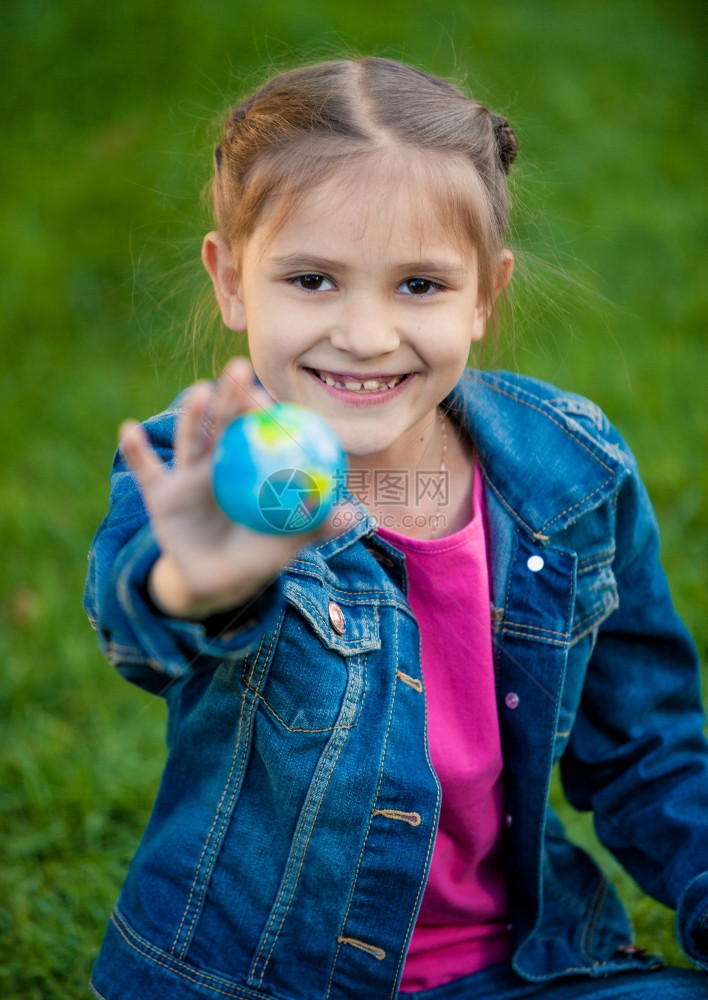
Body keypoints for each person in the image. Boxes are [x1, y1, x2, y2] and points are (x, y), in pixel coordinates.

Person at [84, 58, 708, 999]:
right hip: (264, 983)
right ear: (232, 282)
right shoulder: (207, 474)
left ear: (485, 294)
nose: (368, 334)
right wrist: (197, 587)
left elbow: (648, 746)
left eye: (419, 285)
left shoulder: (569, 472)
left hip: (525, 970)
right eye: (311, 279)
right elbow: (140, 618)